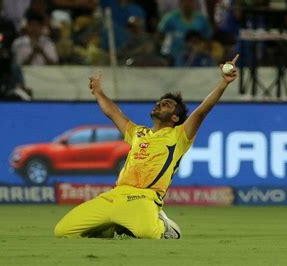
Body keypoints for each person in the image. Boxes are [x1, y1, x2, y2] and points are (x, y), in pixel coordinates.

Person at [54, 54, 239, 239]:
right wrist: (98, 92)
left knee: (147, 233)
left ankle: (166, 226)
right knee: (63, 231)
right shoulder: (137, 132)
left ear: (175, 118)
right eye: (159, 102)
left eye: (166, 104)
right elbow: (113, 112)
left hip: (144, 198)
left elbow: (202, 111)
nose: (159, 104)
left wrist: (223, 83)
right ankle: (113, 228)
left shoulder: (180, 136)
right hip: (114, 195)